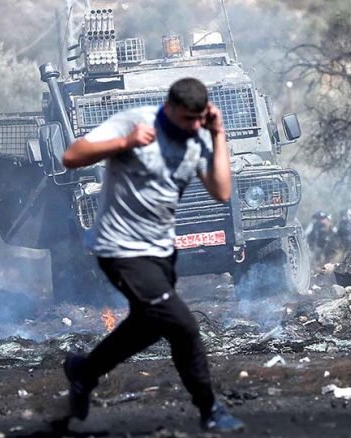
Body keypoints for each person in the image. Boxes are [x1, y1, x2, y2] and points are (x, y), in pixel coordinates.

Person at [60, 78, 245, 433]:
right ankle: (210, 408)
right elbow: (71, 157)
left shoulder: (200, 137)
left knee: (148, 324)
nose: (192, 126)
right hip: (120, 248)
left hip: (160, 251)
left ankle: (84, 371)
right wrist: (124, 143)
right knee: (182, 325)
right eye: (187, 119)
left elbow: (221, 190)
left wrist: (218, 134)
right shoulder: (135, 122)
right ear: (169, 108)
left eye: (199, 119)